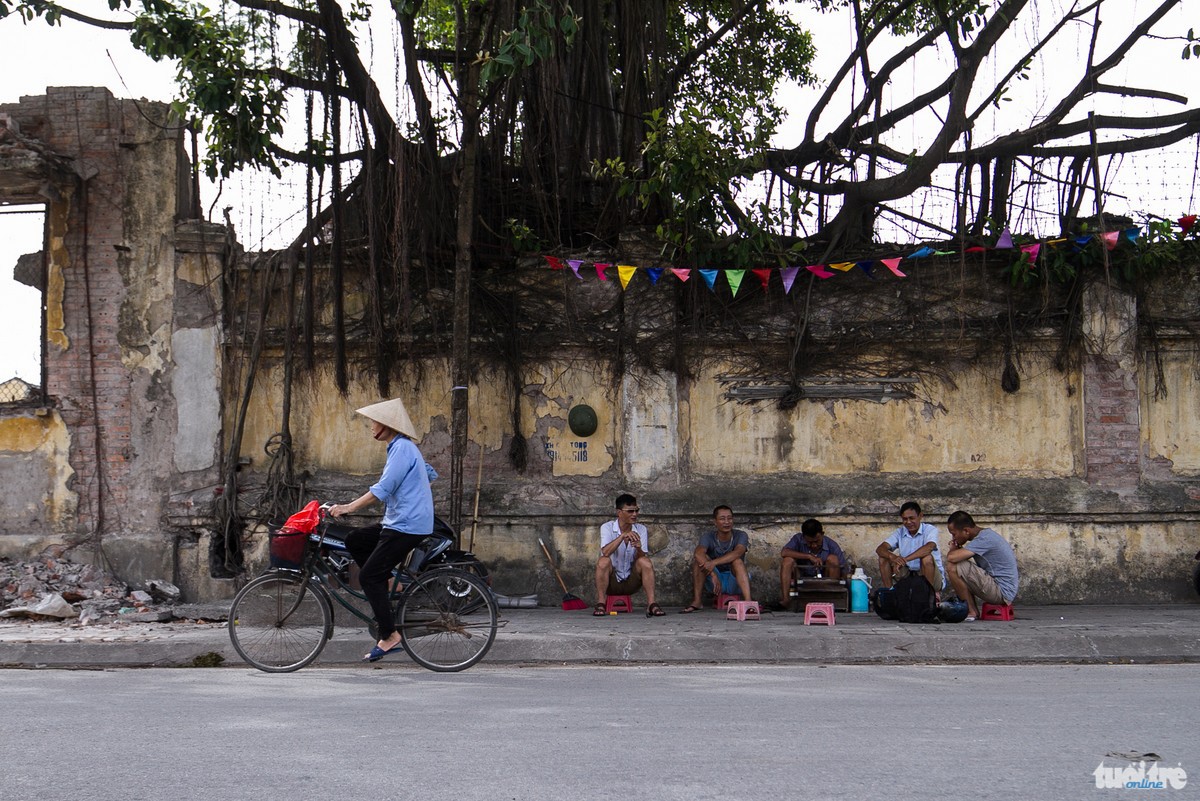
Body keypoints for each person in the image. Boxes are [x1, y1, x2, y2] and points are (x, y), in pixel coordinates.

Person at [328, 397, 434, 662]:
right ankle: (388, 581)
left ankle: (389, 635)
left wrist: (348, 507)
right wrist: (415, 493)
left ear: (387, 425)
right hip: (400, 520)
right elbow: (430, 474)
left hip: (406, 525)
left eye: (374, 421)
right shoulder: (400, 448)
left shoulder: (402, 449)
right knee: (355, 540)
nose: (371, 425)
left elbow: (382, 489)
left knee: (367, 578)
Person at [594, 493, 663, 617]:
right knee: (603, 561)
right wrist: (622, 536)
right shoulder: (607, 527)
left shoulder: (640, 529)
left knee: (645, 561)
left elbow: (642, 557)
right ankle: (601, 602)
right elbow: (606, 552)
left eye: (636, 511)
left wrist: (639, 548)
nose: (634, 514)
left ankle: (652, 604)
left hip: (631, 581)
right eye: (630, 511)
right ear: (619, 512)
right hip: (611, 581)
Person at [944, 510, 1019, 621]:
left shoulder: (984, 539)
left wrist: (953, 549)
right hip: (1004, 590)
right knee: (959, 565)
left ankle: (971, 611)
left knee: (953, 566)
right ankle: (971, 609)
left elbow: (952, 558)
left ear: (966, 531)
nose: (953, 538)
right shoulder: (984, 536)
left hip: (1002, 592)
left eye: (954, 534)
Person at [681, 505, 752, 613]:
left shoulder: (741, 535)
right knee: (698, 562)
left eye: (730, 518)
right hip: (715, 583)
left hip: (735, 580)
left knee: (737, 561)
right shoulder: (708, 536)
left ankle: (748, 603)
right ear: (715, 522)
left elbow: (738, 552)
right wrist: (712, 574)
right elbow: (698, 553)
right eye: (722, 519)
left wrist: (713, 563)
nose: (727, 522)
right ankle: (697, 601)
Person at [769, 518, 847, 610]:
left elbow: (844, 569)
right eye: (809, 542)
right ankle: (786, 600)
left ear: (822, 534)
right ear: (803, 537)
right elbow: (784, 552)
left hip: (824, 581)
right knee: (787, 560)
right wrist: (809, 556)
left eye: (817, 541)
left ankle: (829, 598)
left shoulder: (832, 545)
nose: (813, 545)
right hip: (801, 579)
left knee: (833, 559)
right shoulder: (798, 539)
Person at [875, 501, 945, 596]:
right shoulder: (900, 532)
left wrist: (905, 559)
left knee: (926, 558)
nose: (908, 522)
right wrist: (893, 557)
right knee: (883, 558)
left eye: (912, 518)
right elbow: (880, 549)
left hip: (930, 576)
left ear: (920, 516)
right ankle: (890, 595)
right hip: (908, 575)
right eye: (905, 519)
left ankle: (928, 596)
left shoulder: (930, 529)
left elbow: (929, 547)